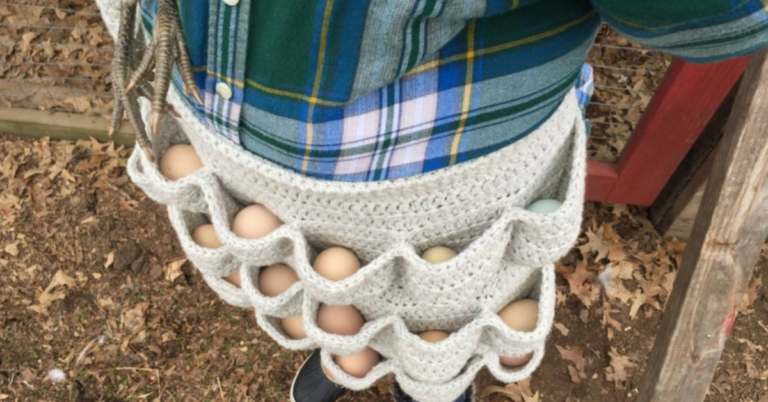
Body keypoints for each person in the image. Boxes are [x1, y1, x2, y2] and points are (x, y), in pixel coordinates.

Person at [96, 1, 768, 401]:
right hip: (246, 159)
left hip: (454, 172)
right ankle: (346, 351)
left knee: (444, 302)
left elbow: (713, 20)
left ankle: (433, 378)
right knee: (320, 291)